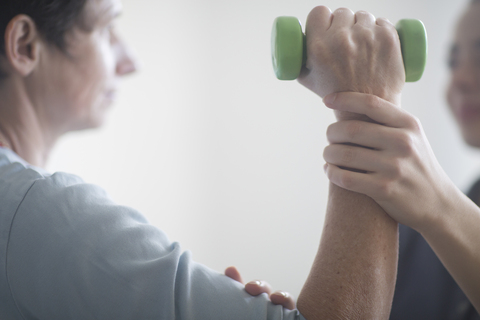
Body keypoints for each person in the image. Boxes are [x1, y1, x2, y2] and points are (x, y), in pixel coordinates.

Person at [0, 1, 403, 319]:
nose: (130, 61)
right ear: (24, 45)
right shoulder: (38, 213)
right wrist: (365, 105)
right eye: (106, 30)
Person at [321, 0, 480, 319]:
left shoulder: (434, 213)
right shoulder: (416, 230)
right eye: (452, 62)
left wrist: (439, 206)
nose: (458, 79)